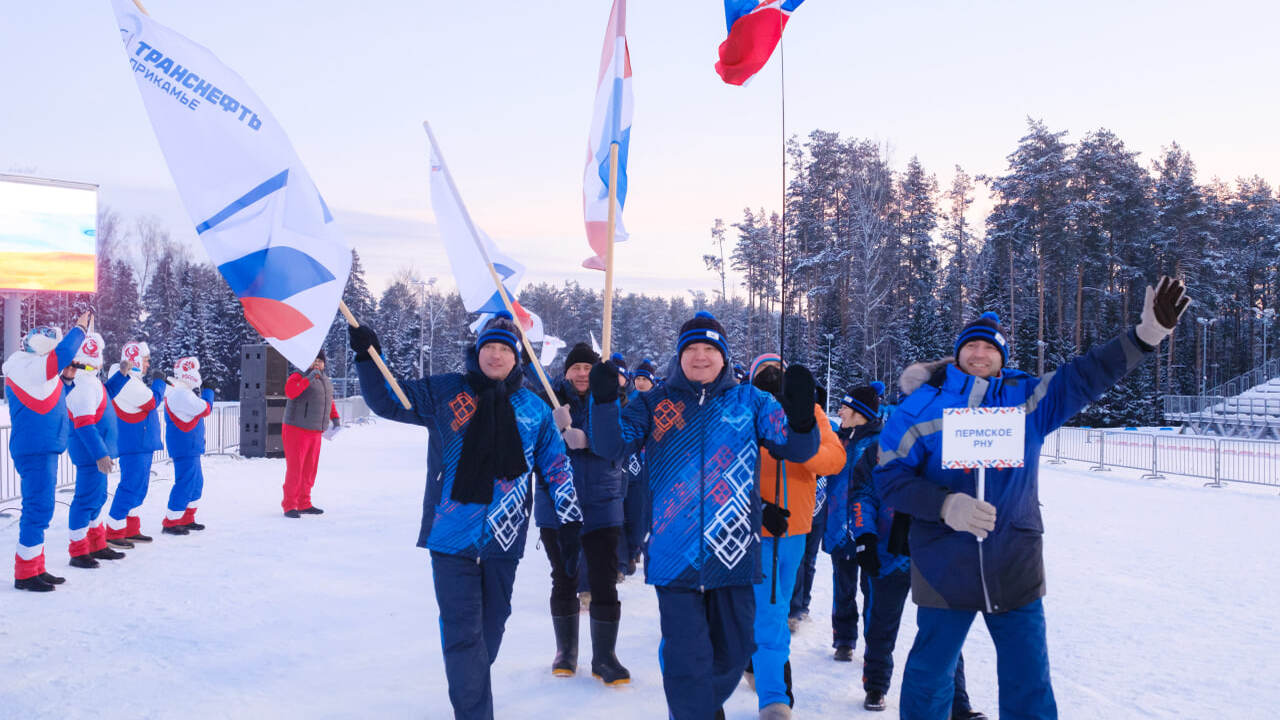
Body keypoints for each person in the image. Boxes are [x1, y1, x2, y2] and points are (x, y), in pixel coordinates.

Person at [878, 277, 1190, 720]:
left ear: (1002, 356)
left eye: (990, 348)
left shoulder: (1028, 398)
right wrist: (947, 505)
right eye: (971, 347)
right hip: (942, 562)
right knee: (930, 676)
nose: (979, 354)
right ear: (958, 352)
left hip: (1014, 559)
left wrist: (1145, 336)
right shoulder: (920, 407)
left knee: (1029, 679)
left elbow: (1087, 375)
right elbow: (889, 478)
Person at [588, 311, 821, 720]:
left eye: (709, 348)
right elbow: (610, 447)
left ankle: (700, 705)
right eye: (691, 348)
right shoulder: (653, 403)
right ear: (679, 356)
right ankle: (695, 708)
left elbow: (797, 450)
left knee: (733, 655)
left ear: (724, 356)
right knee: (685, 660)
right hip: (673, 559)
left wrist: (803, 417)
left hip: (733, 557)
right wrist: (604, 402)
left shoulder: (752, 401)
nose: (700, 356)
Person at [351, 311, 583, 720]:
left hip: (503, 543)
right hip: (450, 538)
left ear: (517, 358)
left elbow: (556, 467)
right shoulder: (445, 393)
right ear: (476, 352)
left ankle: (469, 685)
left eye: (504, 349)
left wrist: (570, 520)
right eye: (488, 347)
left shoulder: (534, 409)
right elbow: (388, 400)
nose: (495, 356)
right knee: (463, 637)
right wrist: (370, 359)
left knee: (487, 637)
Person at [838, 384, 985, 718]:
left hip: (934, 554)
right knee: (880, 623)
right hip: (889, 554)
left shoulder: (951, 451)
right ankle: (876, 684)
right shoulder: (878, 449)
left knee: (943, 632)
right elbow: (862, 495)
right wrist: (865, 538)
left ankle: (958, 704)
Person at [747, 355, 846, 720]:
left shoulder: (811, 411)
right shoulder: (745, 405)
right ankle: (773, 693)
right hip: (748, 528)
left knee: (773, 608)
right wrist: (756, 508)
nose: (771, 378)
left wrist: (801, 442)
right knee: (761, 612)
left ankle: (765, 680)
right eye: (764, 373)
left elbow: (835, 459)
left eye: (778, 373)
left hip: (794, 529)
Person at [536, 342, 630, 685]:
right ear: (566, 372)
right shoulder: (548, 399)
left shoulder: (614, 399)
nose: (581, 373)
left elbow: (622, 442)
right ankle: (566, 652)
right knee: (564, 577)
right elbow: (532, 445)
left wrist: (587, 438)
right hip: (557, 505)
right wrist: (557, 429)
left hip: (603, 503)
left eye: (588, 368)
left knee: (604, 581)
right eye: (575, 368)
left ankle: (605, 657)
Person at [4, 313, 88, 591]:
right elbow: (60, 356)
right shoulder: (23, 364)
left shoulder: (34, 369)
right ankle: (25, 573)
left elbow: (49, 397)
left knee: (41, 508)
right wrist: (80, 329)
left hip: (45, 447)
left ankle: (35, 566)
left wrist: (67, 380)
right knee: (38, 508)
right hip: (35, 448)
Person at [822, 387, 884, 662]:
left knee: (872, 590)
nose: (840, 412)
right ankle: (844, 639)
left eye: (845, 407)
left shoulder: (881, 443)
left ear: (860, 413)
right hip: (838, 525)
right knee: (842, 586)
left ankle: (875, 643)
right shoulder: (836, 440)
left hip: (870, 530)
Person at [63, 331, 126, 569]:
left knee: (97, 498)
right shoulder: (82, 384)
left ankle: (97, 544)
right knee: (86, 499)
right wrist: (100, 454)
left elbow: (107, 394)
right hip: (91, 455)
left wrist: (122, 375)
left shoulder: (91, 381)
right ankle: (79, 550)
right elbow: (84, 424)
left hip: (98, 454)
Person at [103, 341, 166, 548]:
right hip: (134, 443)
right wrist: (159, 382)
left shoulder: (132, 380)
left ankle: (130, 528)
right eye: (146, 360)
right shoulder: (128, 381)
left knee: (139, 487)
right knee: (131, 486)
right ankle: (113, 530)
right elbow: (151, 401)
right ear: (137, 359)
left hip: (141, 442)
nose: (148, 365)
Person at [159, 357, 215, 535]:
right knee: (186, 482)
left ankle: (186, 517)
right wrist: (209, 391)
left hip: (190, 446)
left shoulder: (182, 392)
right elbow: (205, 408)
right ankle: (171, 521)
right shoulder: (181, 393)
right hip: (185, 447)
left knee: (196, 482)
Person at [281, 350, 339, 518]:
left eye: (320, 361)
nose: (317, 364)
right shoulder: (298, 376)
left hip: (315, 430)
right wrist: (309, 377)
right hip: (296, 428)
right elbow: (291, 392)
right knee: (296, 468)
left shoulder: (324, 381)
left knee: (309, 469)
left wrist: (334, 417)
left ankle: (304, 502)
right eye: (314, 360)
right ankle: (290, 505)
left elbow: (328, 400)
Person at [618, 357, 657, 577]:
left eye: (645, 379)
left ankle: (635, 550)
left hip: (648, 473)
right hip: (627, 468)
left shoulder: (658, 404)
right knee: (622, 515)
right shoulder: (629, 402)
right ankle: (623, 561)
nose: (641, 383)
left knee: (640, 518)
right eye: (638, 379)